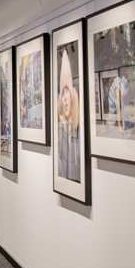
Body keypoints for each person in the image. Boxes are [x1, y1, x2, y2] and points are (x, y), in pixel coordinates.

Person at [56, 50, 80, 183]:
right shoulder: (61, 130)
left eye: (67, 93)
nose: (65, 99)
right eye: (63, 94)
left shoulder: (77, 131)